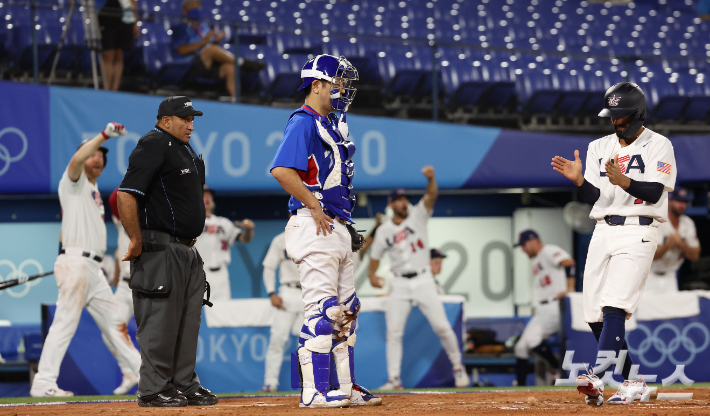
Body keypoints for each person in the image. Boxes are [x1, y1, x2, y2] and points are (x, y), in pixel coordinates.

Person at [552, 82, 676, 405]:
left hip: (639, 229)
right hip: (603, 229)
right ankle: (633, 381)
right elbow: (595, 197)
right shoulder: (598, 147)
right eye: (613, 116)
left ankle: (596, 375)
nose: (617, 121)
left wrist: (626, 181)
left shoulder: (658, 145)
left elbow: (654, 192)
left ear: (638, 113)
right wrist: (580, 181)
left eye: (622, 115)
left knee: (613, 305)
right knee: (593, 312)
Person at [270, 54, 381, 408]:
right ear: (316, 84)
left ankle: (345, 387)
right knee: (324, 312)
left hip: (335, 226)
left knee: (347, 312)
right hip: (312, 221)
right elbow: (282, 170)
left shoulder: (330, 123)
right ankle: (312, 392)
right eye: (337, 83)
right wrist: (315, 205)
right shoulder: (303, 122)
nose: (342, 90)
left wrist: (344, 225)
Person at [117, 96, 217, 407]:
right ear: (165, 120)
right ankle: (152, 388)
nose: (190, 125)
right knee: (159, 322)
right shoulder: (153, 143)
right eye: (184, 119)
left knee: (187, 323)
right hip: (161, 249)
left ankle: (184, 384)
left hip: (186, 250)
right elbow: (126, 195)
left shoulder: (183, 148)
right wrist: (135, 239)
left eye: (192, 119)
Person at [30, 123, 142, 398]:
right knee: (65, 323)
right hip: (77, 264)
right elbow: (76, 160)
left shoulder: (93, 192)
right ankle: (43, 382)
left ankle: (147, 378)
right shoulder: (73, 181)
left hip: (93, 269)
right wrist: (103, 136)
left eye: (102, 155)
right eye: (93, 153)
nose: (98, 157)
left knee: (117, 325)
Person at [369, 169, 470, 390]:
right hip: (399, 283)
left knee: (442, 326)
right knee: (393, 332)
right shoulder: (385, 230)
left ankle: (458, 368)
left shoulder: (417, 215)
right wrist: (371, 275)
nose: (404, 203)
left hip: (424, 279)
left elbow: (431, 195)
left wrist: (431, 179)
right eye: (399, 200)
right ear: (391, 204)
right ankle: (394, 378)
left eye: (405, 199)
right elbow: (374, 258)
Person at [259, 213, 381, 393]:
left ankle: (326, 385)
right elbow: (269, 267)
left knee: (322, 341)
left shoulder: (323, 235)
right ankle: (270, 383)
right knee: (278, 340)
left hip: (315, 293)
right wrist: (271, 292)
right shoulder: (281, 240)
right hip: (289, 293)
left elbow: (356, 256)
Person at [513, 230, 575, 386]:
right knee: (521, 347)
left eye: (524, 245)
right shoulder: (537, 260)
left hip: (554, 306)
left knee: (533, 340)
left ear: (534, 240)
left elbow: (569, 263)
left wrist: (570, 288)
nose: (523, 249)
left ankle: (555, 369)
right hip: (543, 309)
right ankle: (519, 389)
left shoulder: (548, 251)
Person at [193, 184, 255, 301]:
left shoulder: (223, 223)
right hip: (199, 273)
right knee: (197, 315)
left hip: (221, 275)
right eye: (203, 195)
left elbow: (244, 238)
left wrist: (249, 230)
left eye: (209, 195)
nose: (207, 198)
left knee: (223, 313)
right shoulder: (190, 222)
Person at [171, 0, 236, 99]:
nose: (196, 11)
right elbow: (181, 50)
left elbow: (211, 46)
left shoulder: (203, 27)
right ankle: (241, 62)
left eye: (198, 8)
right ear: (184, 11)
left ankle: (234, 99)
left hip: (208, 64)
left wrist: (216, 40)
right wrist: (204, 42)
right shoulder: (181, 27)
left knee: (230, 67)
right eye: (193, 8)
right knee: (211, 50)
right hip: (190, 66)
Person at [646, 187, 701, 293]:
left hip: (671, 276)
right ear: (670, 201)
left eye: (685, 202)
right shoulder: (657, 220)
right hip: (650, 276)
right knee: (647, 308)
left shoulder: (688, 223)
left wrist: (681, 243)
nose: (682, 205)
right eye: (679, 201)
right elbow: (650, 255)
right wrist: (668, 245)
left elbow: (695, 255)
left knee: (671, 307)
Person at [98, 0, 139, 91]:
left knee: (119, 55)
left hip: (126, 18)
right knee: (108, 54)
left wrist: (135, 22)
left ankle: (114, 89)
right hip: (108, 16)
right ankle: (106, 88)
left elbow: (133, 2)